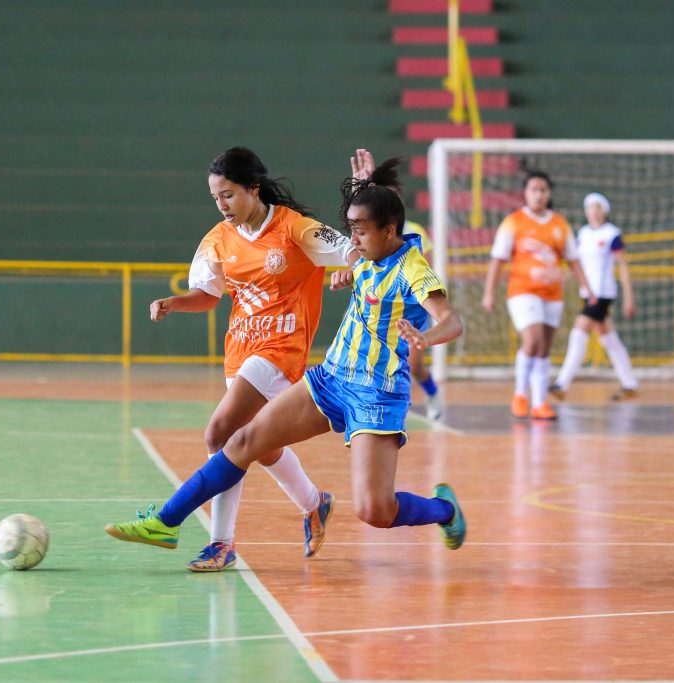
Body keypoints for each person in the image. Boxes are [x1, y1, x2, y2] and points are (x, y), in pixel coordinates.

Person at [106, 159, 467, 554]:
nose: (353, 240)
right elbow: (359, 246)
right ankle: (167, 521)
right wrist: (364, 193)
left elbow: (451, 322)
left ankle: (444, 510)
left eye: (361, 231)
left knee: (375, 510)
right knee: (242, 439)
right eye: (351, 230)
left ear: (389, 230)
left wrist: (426, 338)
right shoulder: (368, 251)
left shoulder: (413, 268)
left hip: (376, 395)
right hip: (331, 379)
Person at [142, 146, 358, 571]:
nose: (222, 205)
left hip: (281, 350)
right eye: (215, 198)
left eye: (229, 195)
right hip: (239, 352)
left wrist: (350, 267)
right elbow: (207, 297)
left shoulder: (296, 229)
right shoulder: (216, 241)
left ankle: (220, 543)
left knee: (219, 434)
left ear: (253, 189)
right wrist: (174, 303)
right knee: (259, 446)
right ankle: (315, 503)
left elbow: (352, 250)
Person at [482, 171, 597, 420]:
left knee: (544, 348)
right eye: (533, 189)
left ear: (549, 193)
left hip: (553, 293)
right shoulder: (514, 222)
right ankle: (521, 394)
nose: (538, 194)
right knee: (532, 341)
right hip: (523, 291)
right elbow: (498, 260)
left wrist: (587, 288)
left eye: (543, 189)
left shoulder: (560, 224)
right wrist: (489, 292)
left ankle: (540, 402)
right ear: (525, 193)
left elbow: (574, 260)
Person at [350, 148, 444, 420]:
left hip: (407, 310)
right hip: (377, 304)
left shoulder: (414, 234)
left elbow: (427, 270)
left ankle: (432, 392)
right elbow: (355, 255)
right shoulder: (366, 234)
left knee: (414, 363)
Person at [550, 192, 639, 401]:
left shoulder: (612, 234)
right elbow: (577, 264)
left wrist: (629, 297)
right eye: (591, 207)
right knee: (608, 338)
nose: (595, 211)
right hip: (587, 292)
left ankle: (562, 383)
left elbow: (623, 266)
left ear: (605, 211)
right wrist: (561, 278)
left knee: (578, 333)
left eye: (599, 207)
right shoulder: (583, 234)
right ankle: (630, 383)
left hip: (602, 293)